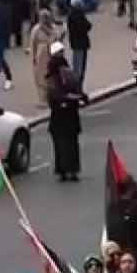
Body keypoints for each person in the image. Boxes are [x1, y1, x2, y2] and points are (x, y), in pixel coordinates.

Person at [45, 41, 83, 182]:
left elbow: (54, 94)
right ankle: (68, 170)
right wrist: (75, 98)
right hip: (64, 113)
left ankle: (67, 170)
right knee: (66, 143)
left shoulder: (59, 72)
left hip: (62, 114)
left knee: (65, 143)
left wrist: (73, 98)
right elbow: (54, 94)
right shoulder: (58, 73)